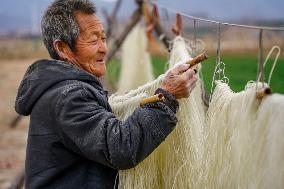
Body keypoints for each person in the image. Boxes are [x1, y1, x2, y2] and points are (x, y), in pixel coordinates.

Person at [15, 0, 197, 188]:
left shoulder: (64, 89)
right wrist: (166, 96)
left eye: (103, 38)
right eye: (93, 40)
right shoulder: (69, 97)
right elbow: (120, 147)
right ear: (62, 48)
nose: (104, 48)